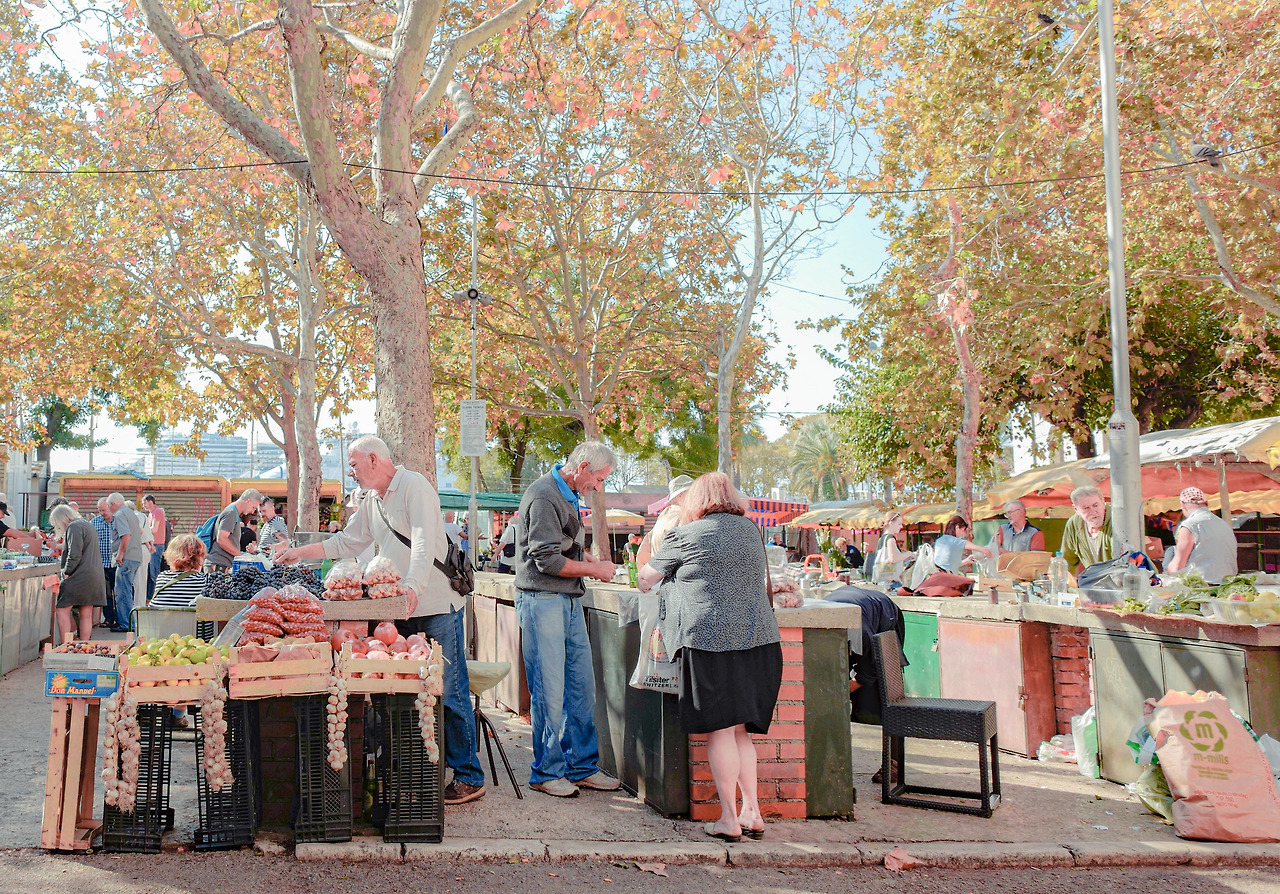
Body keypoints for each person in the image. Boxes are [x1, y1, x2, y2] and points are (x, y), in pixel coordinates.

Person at [275, 436, 486, 806]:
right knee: (401, 692)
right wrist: (301, 552)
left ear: (373, 459)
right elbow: (348, 542)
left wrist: (412, 586)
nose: (352, 472)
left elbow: (423, 543)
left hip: (434, 605)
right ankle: (412, 771)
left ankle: (469, 776)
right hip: (396, 611)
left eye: (354, 464)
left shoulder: (415, 487)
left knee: (449, 691)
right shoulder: (372, 500)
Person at [636, 472, 781, 843]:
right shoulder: (751, 531)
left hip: (711, 643)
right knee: (741, 731)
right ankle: (753, 812)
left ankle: (729, 819)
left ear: (694, 500)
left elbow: (646, 578)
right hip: (761, 641)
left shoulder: (686, 535)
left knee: (720, 731)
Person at [514, 440, 621, 797]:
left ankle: (581, 766)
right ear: (583, 467)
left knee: (580, 687)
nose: (598, 487)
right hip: (542, 599)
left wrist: (588, 560)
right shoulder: (544, 495)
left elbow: (564, 545)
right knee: (549, 690)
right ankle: (546, 772)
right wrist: (595, 571)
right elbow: (546, 559)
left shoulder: (568, 493)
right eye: (599, 479)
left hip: (567, 600)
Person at [44, 504, 107, 643]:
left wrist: (66, 572)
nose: (57, 526)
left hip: (80, 575)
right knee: (86, 613)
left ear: (61, 519)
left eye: (56, 523)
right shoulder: (86, 524)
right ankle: (83, 646)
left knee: (62, 610)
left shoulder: (74, 527)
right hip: (94, 575)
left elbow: (74, 554)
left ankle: (66, 646)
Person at [1165, 487, 1238, 583]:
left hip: (1201, 586)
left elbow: (1177, 566)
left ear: (1182, 505)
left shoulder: (1189, 525)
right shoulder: (1224, 524)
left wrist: (1165, 576)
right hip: (1228, 584)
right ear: (1206, 504)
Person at [107, 492, 148, 632]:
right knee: (127, 590)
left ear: (112, 504)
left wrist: (120, 554)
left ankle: (126, 624)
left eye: (109, 506)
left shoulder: (119, 515)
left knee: (122, 591)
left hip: (127, 558)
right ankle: (128, 622)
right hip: (135, 556)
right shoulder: (131, 513)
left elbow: (125, 535)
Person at [637, 474, 693, 567]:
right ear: (680, 496)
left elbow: (643, 552)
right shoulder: (685, 516)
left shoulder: (664, 515)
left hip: (657, 571)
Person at [205, 489, 265, 572]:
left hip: (220, 565)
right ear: (248, 501)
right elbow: (222, 539)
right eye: (253, 507)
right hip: (218, 566)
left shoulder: (233, 512)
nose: (252, 511)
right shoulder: (231, 513)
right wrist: (240, 556)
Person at [1061, 485, 1114, 573]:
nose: (1092, 512)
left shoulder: (1117, 521)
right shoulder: (1074, 524)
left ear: (1103, 502)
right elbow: (1066, 562)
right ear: (1075, 509)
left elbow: (1122, 562)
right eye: (1086, 508)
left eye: (1096, 505)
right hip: (1092, 579)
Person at [150, 534, 209, 610]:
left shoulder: (162, 577)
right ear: (199, 558)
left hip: (160, 618)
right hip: (191, 618)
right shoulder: (205, 580)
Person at [91, 498, 118, 629]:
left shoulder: (118, 520)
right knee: (106, 594)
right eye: (100, 510)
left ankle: (120, 619)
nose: (102, 513)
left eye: (104, 510)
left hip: (117, 563)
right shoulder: (94, 522)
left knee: (118, 593)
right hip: (101, 564)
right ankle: (109, 619)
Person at [872, 511, 916, 583]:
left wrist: (906, 558)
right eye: (899, 524)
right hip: (890, 581)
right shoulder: (890, 538)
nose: (901, 526)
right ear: (891, 523)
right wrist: (909, 553)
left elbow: (889, 560)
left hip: (882, 578)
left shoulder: (882, 538)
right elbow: (893, 558)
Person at [143, 495, 167, 598]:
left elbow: (154, 529)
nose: (143, 505)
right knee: (150, 572)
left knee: (154, 572)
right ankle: (150, 595)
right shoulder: (150, 514)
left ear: (150, 502)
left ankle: (157, 595)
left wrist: (143, 530)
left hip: (157, 545)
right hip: (151, 545)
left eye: (144, 503)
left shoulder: (158, 512)